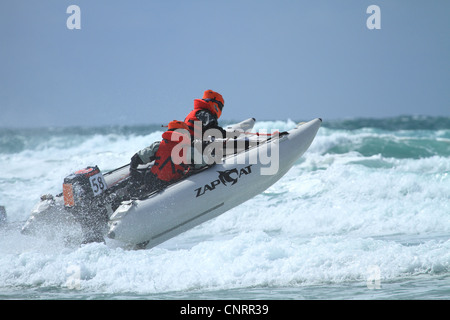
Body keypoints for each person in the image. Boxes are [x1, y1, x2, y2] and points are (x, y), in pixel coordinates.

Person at [128, 120, 194, 195]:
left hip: (152, 180)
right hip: (172, 184)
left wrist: (133, 171)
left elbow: (136, 158)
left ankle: (131, 192)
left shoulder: (158, 146)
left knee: (144, 180)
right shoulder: (189, 150)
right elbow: (202, 163)